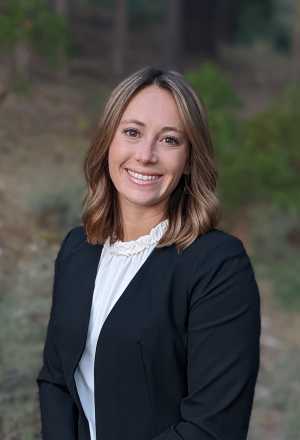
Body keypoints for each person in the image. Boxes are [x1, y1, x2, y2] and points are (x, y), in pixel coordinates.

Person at [36, 66, 261, 440]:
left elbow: (212, 426)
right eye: (132, 132)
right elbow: (56, 381)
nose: (146, 155)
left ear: (189, 159)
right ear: (108, 141)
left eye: (170, 140)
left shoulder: (218, 264)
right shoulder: (78, 248)